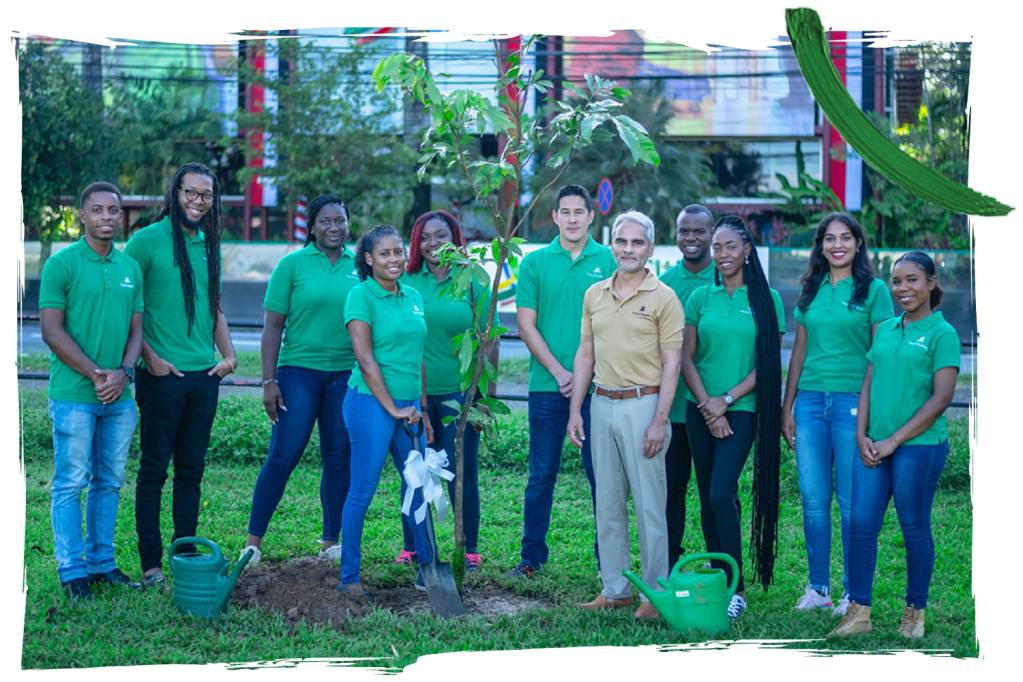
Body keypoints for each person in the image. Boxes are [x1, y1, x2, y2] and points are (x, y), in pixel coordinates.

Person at [830, 252, 959, 640]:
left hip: (918, 447)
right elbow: (868, 383)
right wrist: (861, 435)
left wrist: (893, 441)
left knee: (914, 527)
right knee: (860, 526)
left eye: (913, 280)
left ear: (932, 283)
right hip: (873, 444)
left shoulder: (943, 333)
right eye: (897, 281)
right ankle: (860, 612)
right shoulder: (885, 328)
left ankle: (914, 613)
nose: (903, 288)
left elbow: (941, 399)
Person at [124, 162, 238, 588]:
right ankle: (151, 565)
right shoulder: (145, 242)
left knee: (192, 471)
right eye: (190, 193)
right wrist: (148, 358)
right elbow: (126, 309)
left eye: (205, 195)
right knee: (154, 469)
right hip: (161, 375)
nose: (197, 201)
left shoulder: (210, 243)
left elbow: (215, 308)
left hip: (204, 376)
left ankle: (184, 554)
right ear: (174, 194)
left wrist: (228, 357)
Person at [568, 211, 683, 620]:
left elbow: (673, 365)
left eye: (637, 243)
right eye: (621, 241)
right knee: (608, 501)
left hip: (644, 405)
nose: (628, 249)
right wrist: (575, 411)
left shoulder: (664, 297)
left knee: (651, 504)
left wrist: (659, 420)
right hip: (601, 403)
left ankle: (655, 594)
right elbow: (586, 354)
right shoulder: (595, 293)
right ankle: (615, 588)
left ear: (650, 248)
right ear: (611, 243)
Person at [781, 213, 893, 615]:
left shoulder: (875, 290)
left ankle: (851, 592)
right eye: (830, 238)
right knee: (813, 501)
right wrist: (787, 406)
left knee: (850, 502)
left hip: (851, 402)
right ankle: (819, 589)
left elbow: (879, 355)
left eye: (846, 237)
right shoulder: (810, 289)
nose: (837, 245)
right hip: (810, 401)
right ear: (820, 245)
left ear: (859, 244)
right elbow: (798, 352)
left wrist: (867, 410)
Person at [39, 182, 145, 599]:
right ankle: (72, 570)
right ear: (81, 216)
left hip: (119, 398)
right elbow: (51, 330)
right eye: (97, 210)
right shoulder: (62, 265)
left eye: (113, 210)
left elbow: (137, 331)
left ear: (121, 215)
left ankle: (102, 563)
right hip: (74, 396)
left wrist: (124, 372)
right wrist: (97, 374)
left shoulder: (129, 267)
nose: (106, 216)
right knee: (71, 482)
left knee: (110, 482)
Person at [506, 185, 617, 578]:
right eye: (565, 212)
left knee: (602, 477)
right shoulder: (535, 263)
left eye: (579, 212)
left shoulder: (609, 259)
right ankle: (531, 556)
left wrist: (584, 378)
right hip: (547, 387)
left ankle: (609, 562)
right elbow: (525, 325)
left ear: (592, 216)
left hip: (601, 388)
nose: (572, 218)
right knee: (540, 475)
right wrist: (559, 371)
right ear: (554, 217)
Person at [241, 195, 358, 565]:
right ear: (312, 226)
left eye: (340, 220)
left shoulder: (363, 265)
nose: (334, 227)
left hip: (346, 375)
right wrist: (268, 380)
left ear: (348, 223)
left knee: (339, 458)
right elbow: (272, 326)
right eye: (325, 221)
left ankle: (330, 544)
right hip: (299, 373)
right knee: (283, 455)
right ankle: (253, 544)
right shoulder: (291, 265)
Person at [679, 215, 784, 620]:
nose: (722, 255)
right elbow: (687, 357)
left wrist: (726, 400)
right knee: (707, 495)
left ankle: (737, 589)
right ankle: (721, 579)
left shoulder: (766, 299)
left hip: (741, 410)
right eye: (717, 247)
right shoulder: (699, 298)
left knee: (723, 492)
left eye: (730, 247)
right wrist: (708, 405)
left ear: (747, 251)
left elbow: (768, 363)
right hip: (699, 408)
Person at [395, 210, 500, 572]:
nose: (433, 244)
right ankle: (413, 544)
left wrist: (484, 396)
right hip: (414, 396)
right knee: (414, 468)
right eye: (425, 237)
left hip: (461, 395)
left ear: (456, 239)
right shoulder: (407, 282)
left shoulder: (473, 282)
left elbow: (490, 342)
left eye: (441, 235)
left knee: (462, 470)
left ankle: (467, 546)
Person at [337, 225, 434, 598]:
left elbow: (417, 356)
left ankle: (427, 568)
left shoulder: (412, 295)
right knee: (363, 489)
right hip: (370, 404)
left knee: (418, 486)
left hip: (408, 408)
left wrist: (420, 408)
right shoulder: (360, 296)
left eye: (397, 253)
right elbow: (364, 358)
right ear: (368, 258)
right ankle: (350, 579)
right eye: (384, 254)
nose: (393, 260)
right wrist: (392, 407)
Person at [658, 204, 715, 571]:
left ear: (711, 234)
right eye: (683, 231)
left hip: (715, 411)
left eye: (698, 231)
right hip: (672, 408)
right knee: (670, 493)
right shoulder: (664, 283)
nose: (690, 238)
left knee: (717, 495)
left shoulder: (726, 279)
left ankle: (725, 571)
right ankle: (665, 568)